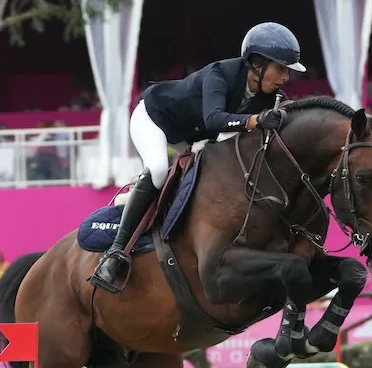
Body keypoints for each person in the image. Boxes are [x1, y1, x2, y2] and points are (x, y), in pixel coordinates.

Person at [90, 22, 304, 294]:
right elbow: (214, 120)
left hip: (191, 135)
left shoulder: (270, 95)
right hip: (155, 118)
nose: (286, 77)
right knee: (157, 170)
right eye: (282, 69)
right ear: (257, 64)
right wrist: (255, 120)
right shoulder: (220, 75)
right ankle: (115, 252)